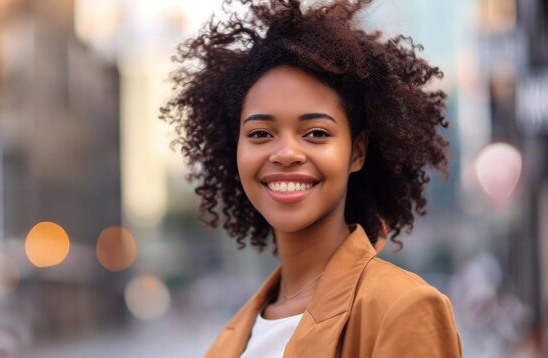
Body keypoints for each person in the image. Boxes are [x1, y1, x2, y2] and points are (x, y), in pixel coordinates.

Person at [160, 0, 462, 356]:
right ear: (235, 149)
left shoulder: (403, 309)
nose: (286, 153)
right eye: (260, 134)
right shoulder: (231, 339)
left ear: (357, 152)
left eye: (316, 133)